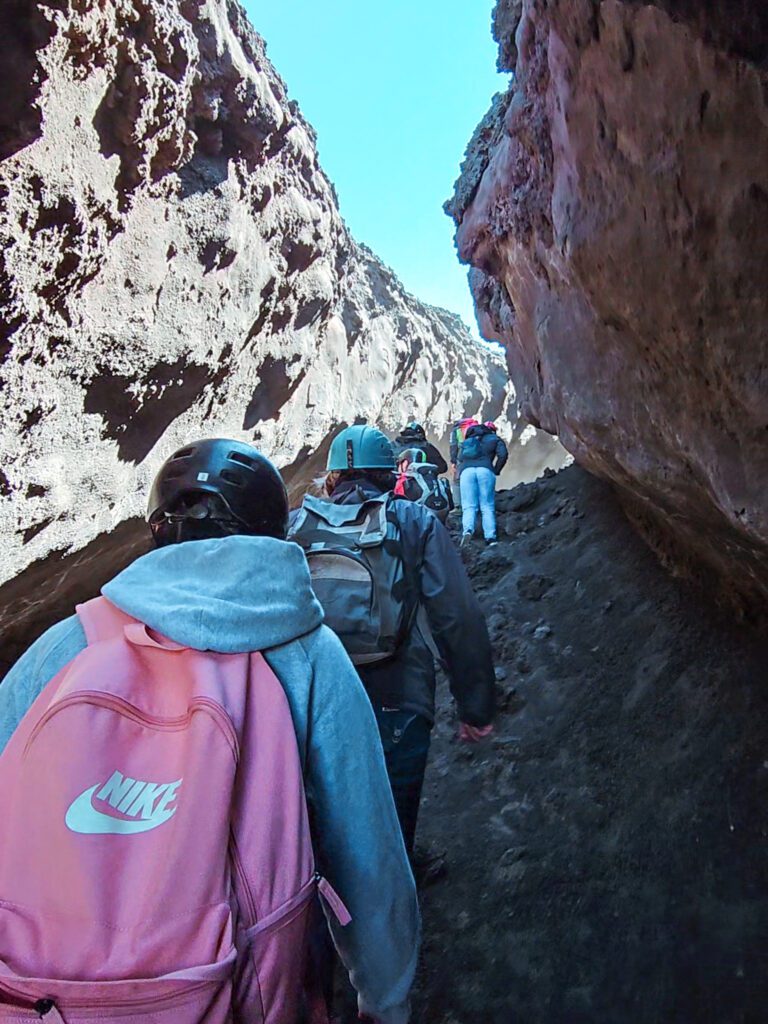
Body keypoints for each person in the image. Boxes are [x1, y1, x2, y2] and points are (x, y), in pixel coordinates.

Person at [0, 438, 419, 1024]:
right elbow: (364, 849)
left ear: (154, 530)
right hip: (230, 992)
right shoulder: (305, 653)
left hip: (41, 998)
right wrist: (385, 996)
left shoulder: (62, 648)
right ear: (273, 532)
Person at [290, 425, 496, 864]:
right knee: (392, 821)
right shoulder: (413, 521)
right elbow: (457, 617)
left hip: (309, 699)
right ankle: (395, 898)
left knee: (316, 823)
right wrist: (475, 708)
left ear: (331, 477)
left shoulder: (295, 528)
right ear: (392, 473)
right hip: (397, 697)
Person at [458, 421, 509, 547]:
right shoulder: (495, 439)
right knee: (487, 505)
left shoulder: (467, 442)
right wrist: (496, 470)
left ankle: (468, 531)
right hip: (485, 470)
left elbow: (459, 458)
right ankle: (490, 538)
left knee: (469, 506)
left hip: (466, 472)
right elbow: (503, 455)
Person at [448, 417, 479, 510]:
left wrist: (453, 462)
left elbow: (453, 446)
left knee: (457, 482)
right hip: (477, 458)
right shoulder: (477, 428)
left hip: (462, 458)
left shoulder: (457, 431)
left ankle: (458, 506)